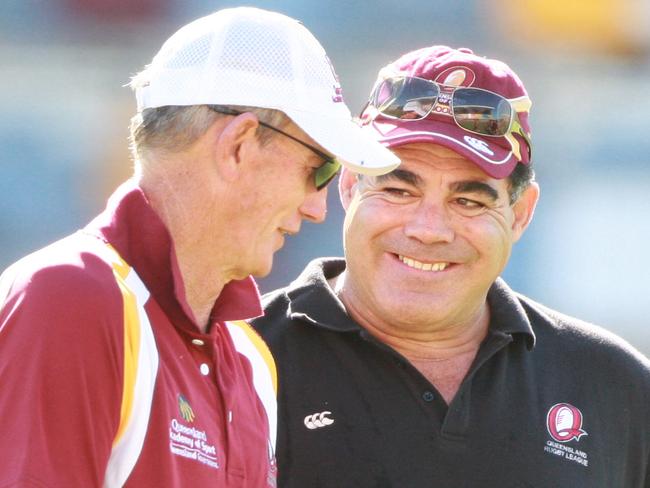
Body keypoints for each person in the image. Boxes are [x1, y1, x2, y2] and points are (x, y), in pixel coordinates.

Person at [0, 7, 399, 487]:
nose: (319, 209)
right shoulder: (71, 298)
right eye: (318, 169)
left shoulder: (248, 358)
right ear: (239, 145)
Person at [253, 45, 650, 487]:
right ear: (349, 186)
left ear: (520, 214)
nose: (429, 229)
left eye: (468, 200)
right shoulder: (238, 356)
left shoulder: (617, 386)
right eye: (399, 191)